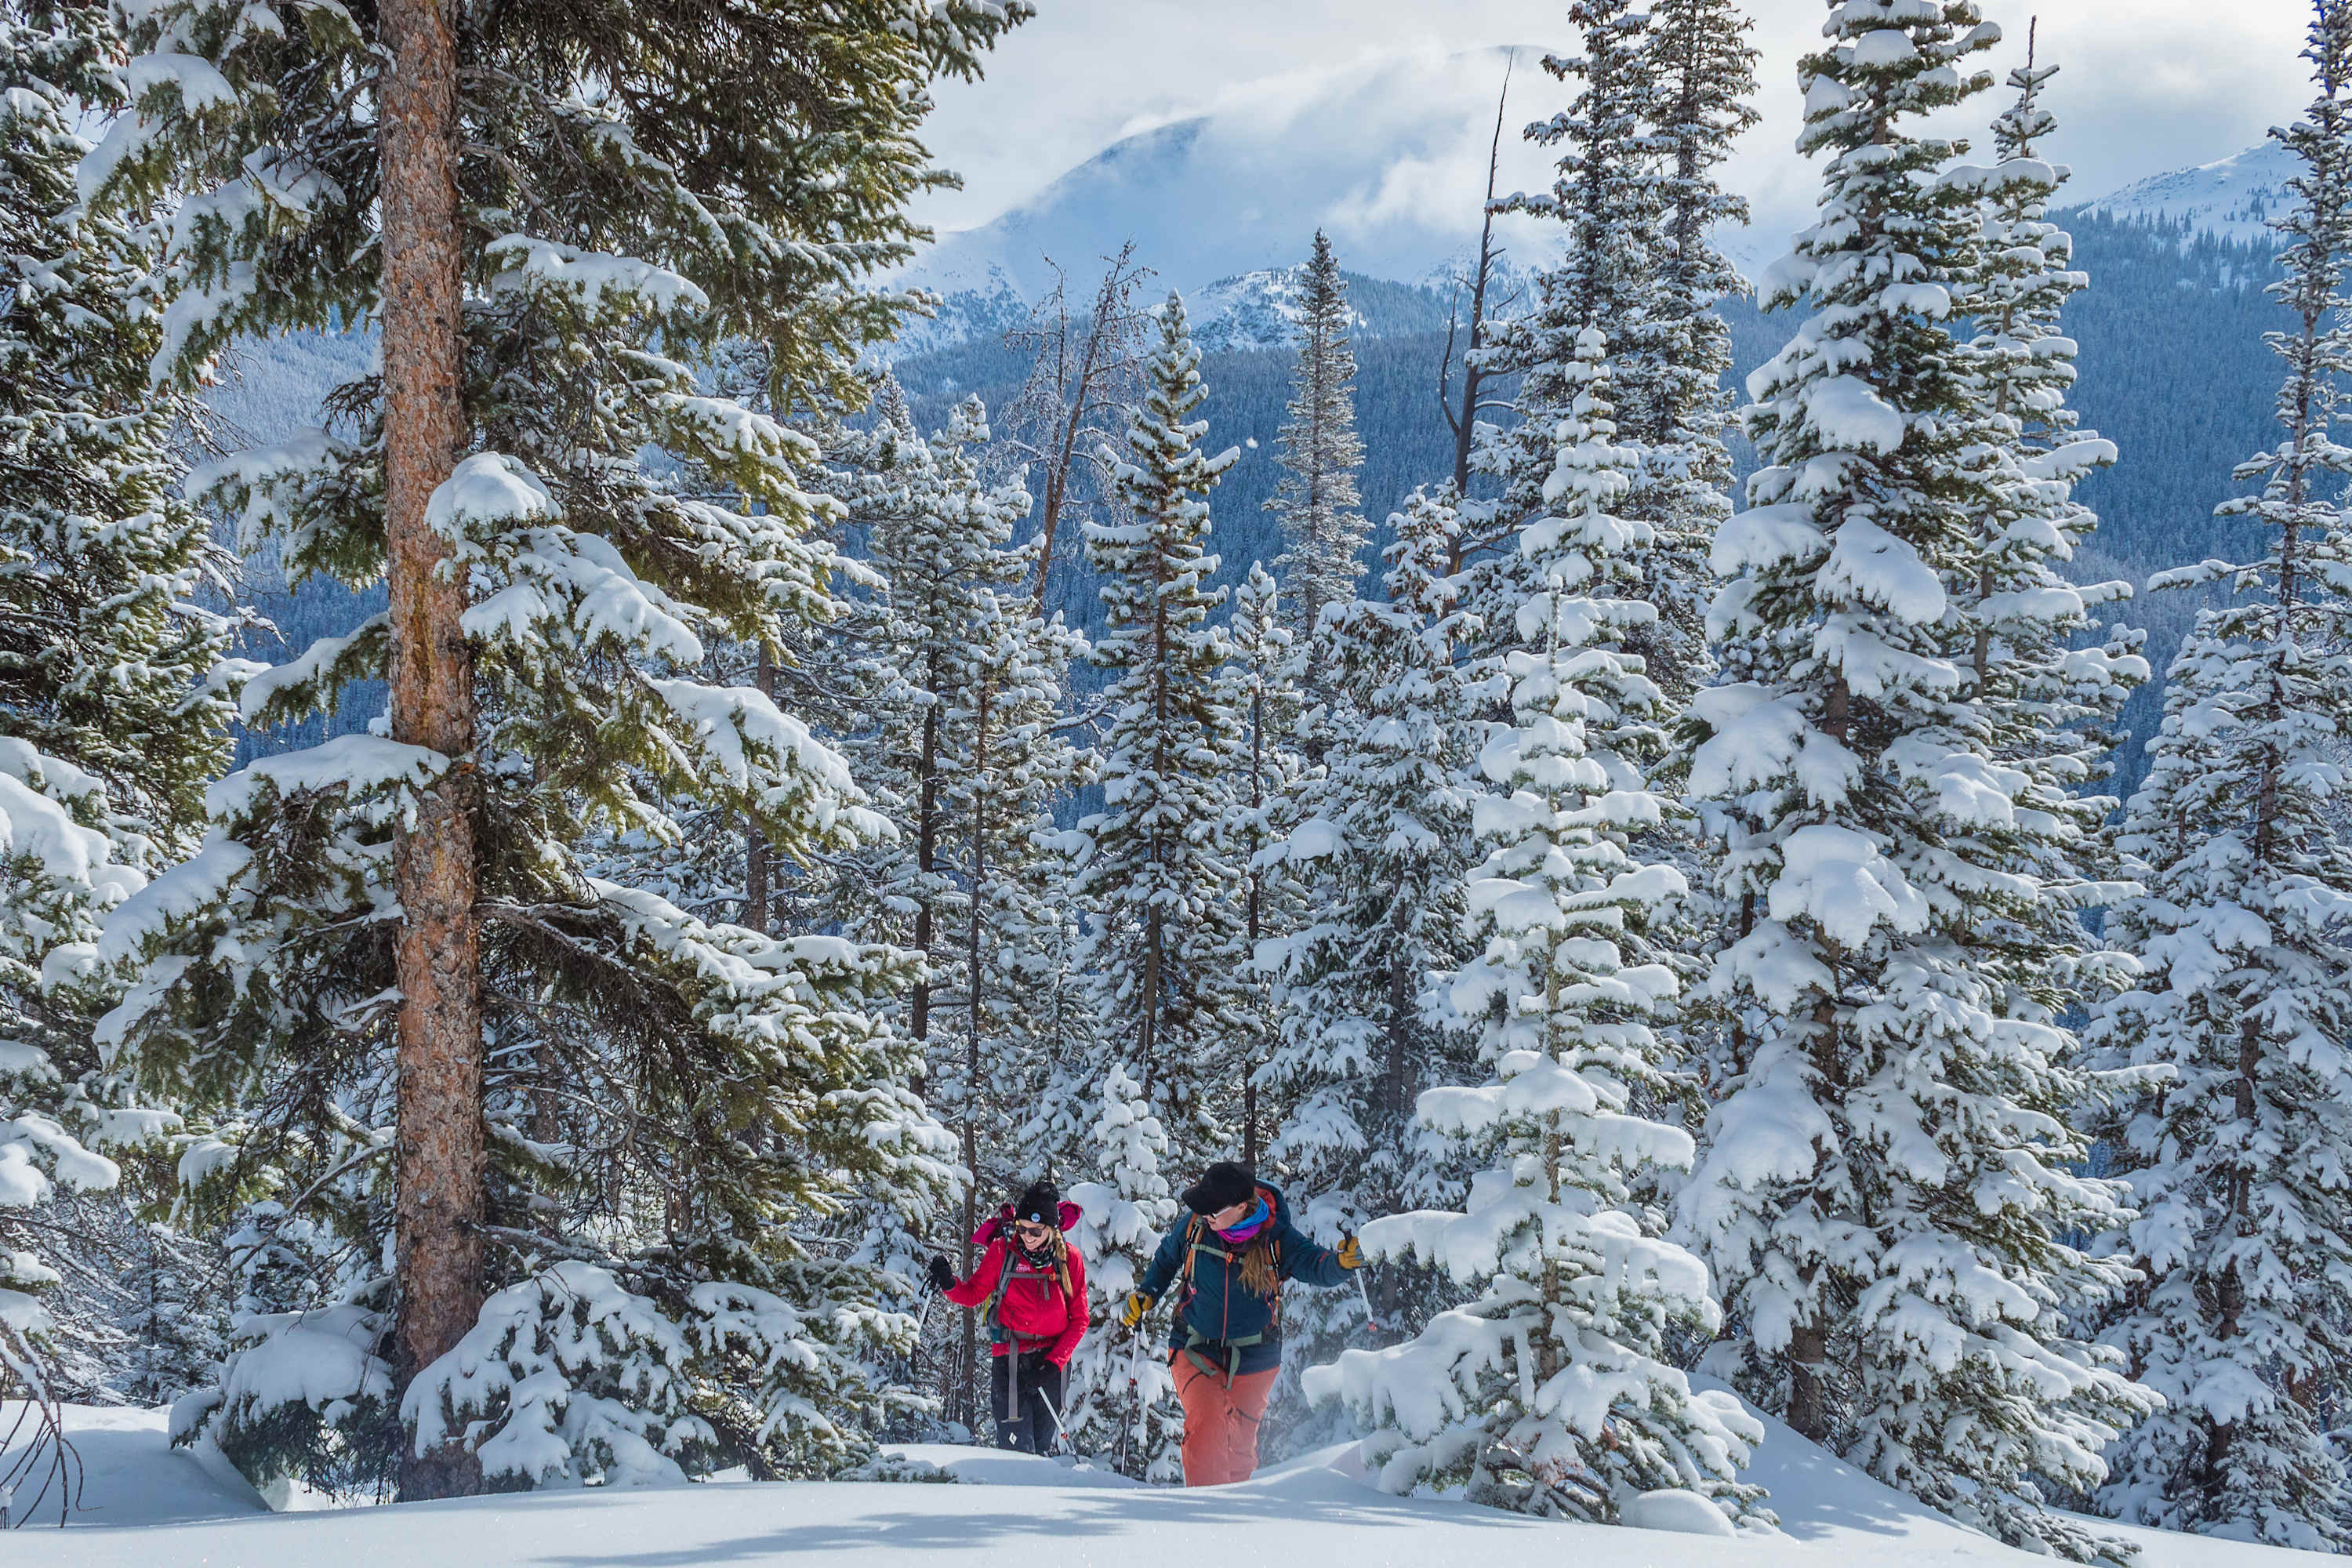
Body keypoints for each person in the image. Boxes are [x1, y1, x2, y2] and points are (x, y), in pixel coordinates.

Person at [1120, 1161, 1363, 1486]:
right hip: (1194, 1347)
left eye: (1214, 1210)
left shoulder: (1276, 1237)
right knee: (1207, 1425)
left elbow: (1316, 1265)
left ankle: (1233, 1511)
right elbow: (1166, 1259)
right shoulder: (1195, 1226)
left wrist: (1342, 1263)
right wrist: (1147, 1293)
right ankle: (1204, 1509)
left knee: (1239, 1447)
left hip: (1255, 1357)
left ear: (1241, 1208)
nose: (1206, 1215)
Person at [928, 1179, 1087, 1454]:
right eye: (1022, 1228)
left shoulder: (1068, 1259)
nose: (1027, 1236)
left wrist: (1053, 1364)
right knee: (1016, 1450)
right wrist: (948, 1282)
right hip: (1010, 1360)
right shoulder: (1003, 1251)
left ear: (1051, 1229)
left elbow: (1080, 1319)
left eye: (1035, 1231)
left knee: (1040, 1449)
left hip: (1051, 1364)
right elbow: (973, 1293)